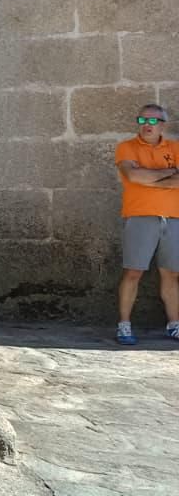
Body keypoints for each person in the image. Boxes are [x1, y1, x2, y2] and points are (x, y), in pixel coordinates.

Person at [113, 104, 179, 345]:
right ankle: (124, 325)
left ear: (163, 124)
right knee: (133, 272)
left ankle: (174, 324)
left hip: (173, 218)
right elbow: (133, 176)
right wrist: (170, 173)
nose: (146, 125)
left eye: (152, 121)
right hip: (140, 216)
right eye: (142, 120)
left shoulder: (175, 148)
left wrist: (150, 179)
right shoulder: (126, 148)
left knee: (171, 274)